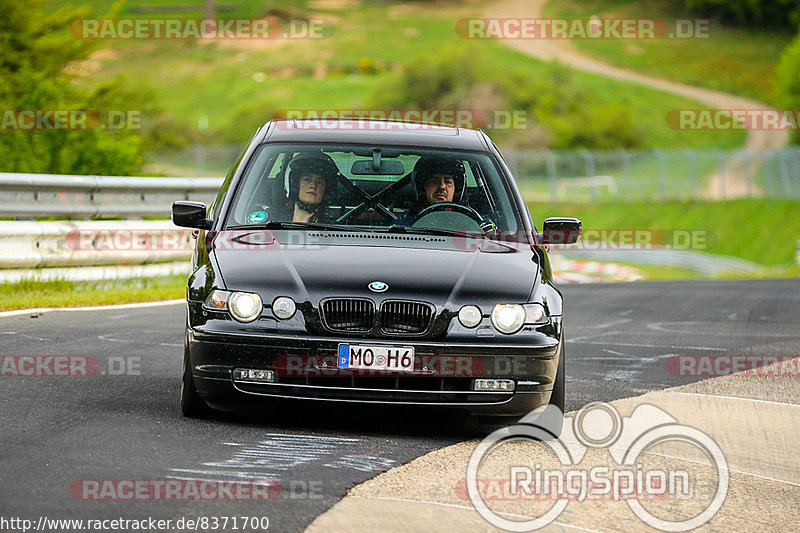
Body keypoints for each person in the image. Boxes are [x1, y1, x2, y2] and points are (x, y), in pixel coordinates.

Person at [393, 156, 467, 226]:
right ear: (423, 187)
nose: (442, 187)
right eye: (434, 181)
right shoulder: (402, 227)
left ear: (456, 189)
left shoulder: (470, 227)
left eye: (448, 182)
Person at [279, 152, 338, 223]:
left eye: (320, 182)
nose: (313, 185)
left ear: (325, 190)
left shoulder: (332, 227)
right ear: (295, 185)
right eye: (307, 179)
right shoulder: (274, 219)